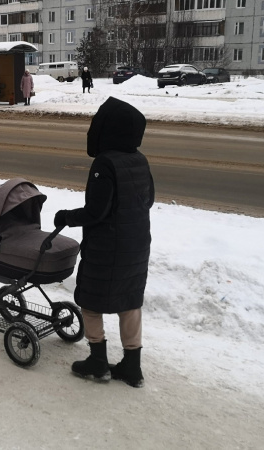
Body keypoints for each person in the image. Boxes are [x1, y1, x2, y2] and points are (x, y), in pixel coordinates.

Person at [54, 97, 154, 388]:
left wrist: (65, 217)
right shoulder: (139, 159)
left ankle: (98, 361)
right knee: (129, 301)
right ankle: (132, 367)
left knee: (90, 301)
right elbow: (148, 200)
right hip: (136, 244)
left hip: (108, 247)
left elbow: (96, 212)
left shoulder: (105, 163)